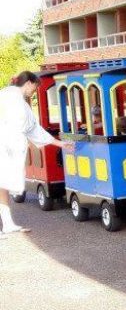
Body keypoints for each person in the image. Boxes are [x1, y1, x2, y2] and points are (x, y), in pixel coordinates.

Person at [0, 71, 73, 234]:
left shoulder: (14, 99)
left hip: (8, 148)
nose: (34, 91)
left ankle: (7, 223)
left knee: (3, 186)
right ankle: (7, 224)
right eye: (34, 87)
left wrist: (59, 143)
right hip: (5, 148)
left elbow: (33, 129)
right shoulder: (12, 99)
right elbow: (31, 129)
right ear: (28, 83)